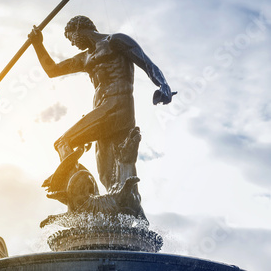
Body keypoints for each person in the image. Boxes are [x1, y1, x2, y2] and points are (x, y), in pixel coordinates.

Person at [29, 16, 173, 194]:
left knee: (63, 142)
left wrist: (163, 84)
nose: (73, 44)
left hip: (117, 105)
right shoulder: (84, 58)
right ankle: (118, 209)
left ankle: (81, 194)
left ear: (79, 28)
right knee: (107, 176)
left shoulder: (115, 41)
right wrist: (37, 44)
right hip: (102, 112)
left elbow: (147, 63)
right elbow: (53, 70)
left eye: (71, 38)